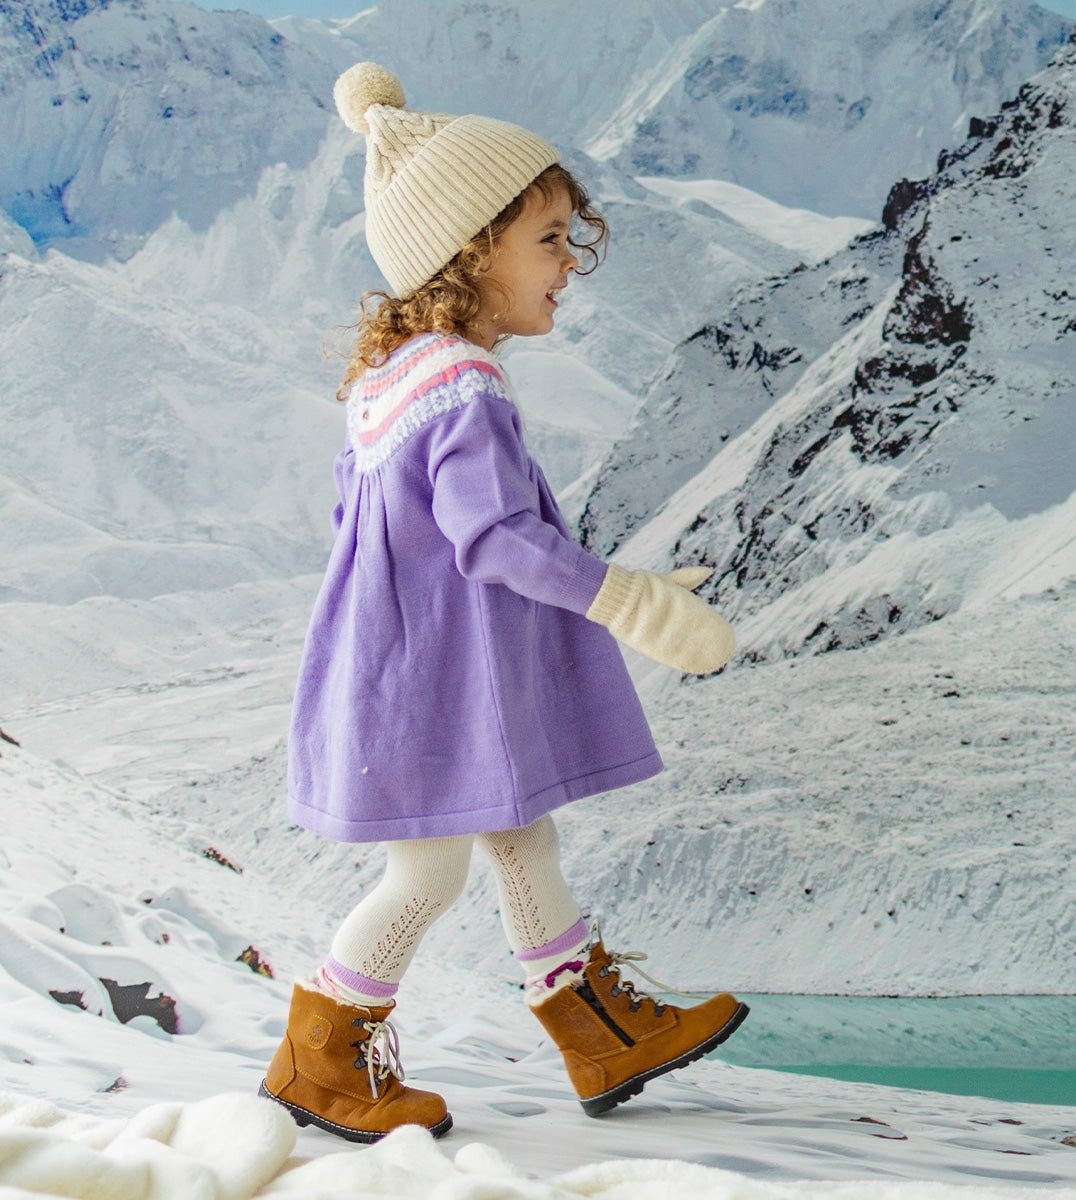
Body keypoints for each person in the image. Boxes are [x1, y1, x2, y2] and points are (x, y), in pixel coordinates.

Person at [259, 61, 747, 1144]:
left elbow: (370, 539)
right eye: (549, 239)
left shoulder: (390, 381)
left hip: (413, 672)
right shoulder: (465, 387)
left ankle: (598, 1032)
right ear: (470, 249)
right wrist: (631, 602)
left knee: (523, 837)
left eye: (572, 236)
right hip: (443, 684)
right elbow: (493, 540)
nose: (569, 262)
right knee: (429, 871)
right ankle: (322, 1057)